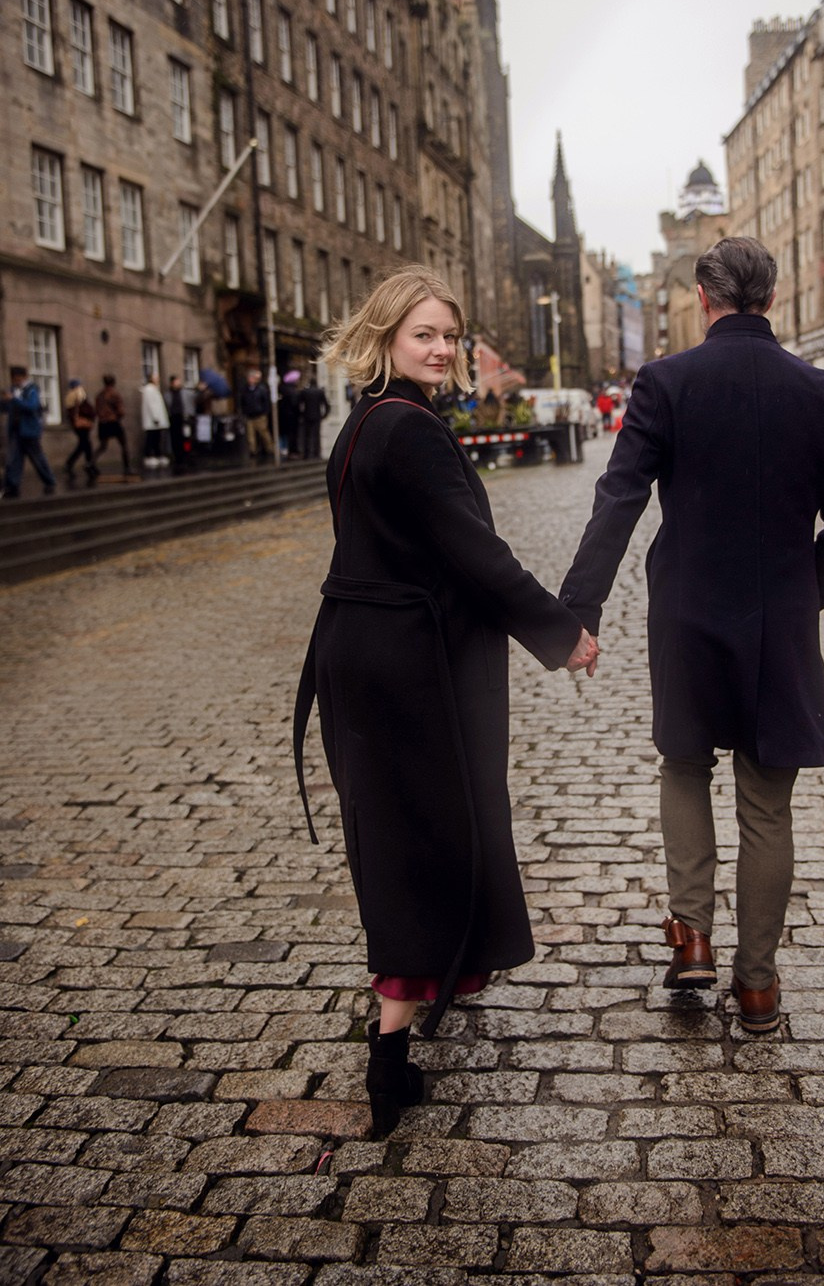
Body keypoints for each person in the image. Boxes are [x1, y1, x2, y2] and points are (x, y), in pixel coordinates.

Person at [293, 266, 597, 1136]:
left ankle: (433, 988)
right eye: (423, 333)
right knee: (416, 840)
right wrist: (559, 631)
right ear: (386, 335)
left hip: (363, 651)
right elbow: (474, 553)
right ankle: (387, 1058)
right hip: (403, 665)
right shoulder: (408, 431)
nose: (439, 348)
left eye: (448, 336)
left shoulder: (362, 424)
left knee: (406, 832)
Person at [559, 237, 824, 1034]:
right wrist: (811, 582)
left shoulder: (666, 381)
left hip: (687, 608)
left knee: (683, 764)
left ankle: (691, 938)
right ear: (771, 297)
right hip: (781, 611)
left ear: (703, 298)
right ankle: (759, 987)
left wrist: (580, 606)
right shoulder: (823, 390)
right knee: (767, 803)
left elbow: (619, 499)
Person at [1, 365, 57, 498]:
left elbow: (32, 406)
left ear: (24, 377)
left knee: (37, 458)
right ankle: (12, 486)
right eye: (13, 379)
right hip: (15, 430)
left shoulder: (32, 389)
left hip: (30, 431)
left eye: (17, 378)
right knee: (14, 459)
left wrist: (14, 399)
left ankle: (50, 481)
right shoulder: (12, 390)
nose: (15, 381)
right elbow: (6, 408)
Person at [92, 374, 131, 475]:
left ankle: (90, 463)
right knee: (123, 444)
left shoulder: (99, 395)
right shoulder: (114, 394)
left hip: (102, 423)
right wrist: (119, 416)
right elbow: (120, 409)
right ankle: (127, 468)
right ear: (113, 382)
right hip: (113, 421)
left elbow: (96, 409)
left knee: (102, 446)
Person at [63, 379, 99, 484]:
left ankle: (86, 464)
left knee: (84, 444)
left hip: (78, 425)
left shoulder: (69, 397)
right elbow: (87, 409)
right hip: (82, 424)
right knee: (85, 444)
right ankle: (86, 464)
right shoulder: (78, 395)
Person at [240, 369, 273, 460]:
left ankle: (269, 448)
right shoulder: (245, 389)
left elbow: (266, 401)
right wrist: (244, 411)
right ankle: (253, 450)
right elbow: (243, 401)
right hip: (250, 415)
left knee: (264, 433)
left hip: (260, 415)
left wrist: (264, 412)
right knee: (250, 435)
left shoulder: (261, 389)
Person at [140, 373, 170, 468]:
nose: (158, 379)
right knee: (151, 438)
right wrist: (156, 417)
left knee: (156, 438)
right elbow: (151, 405)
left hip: (156, 420)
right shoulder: (149, 389)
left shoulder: (154, 389)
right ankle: (149, 456)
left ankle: (158, 455)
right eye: (156, 378)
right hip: (153, 420)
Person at [166, 375, 195, 472]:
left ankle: (187, 455)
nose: (179, 383)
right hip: (173, 418)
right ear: (172, 383)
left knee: (186, 438)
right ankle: (177, 457)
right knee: (175, 439)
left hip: (184, 418)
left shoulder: (185, 392)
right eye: (176, 381)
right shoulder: (168, 394)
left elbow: (195, 397)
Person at [299, 376, 330, 460]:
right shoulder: (320, 392)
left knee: (307, 435)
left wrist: (301, 414)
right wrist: (324, 415)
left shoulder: (305, 392)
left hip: (307, 415)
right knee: (316, 435)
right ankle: (317, 453)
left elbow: (299, 404)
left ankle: (307, 453)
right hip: (317, 416)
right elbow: (326, 405)